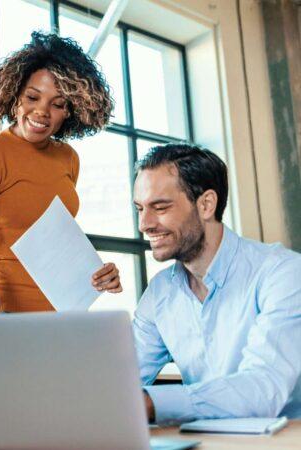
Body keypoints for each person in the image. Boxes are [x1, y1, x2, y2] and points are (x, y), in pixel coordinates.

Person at [96, 143, 301, 424]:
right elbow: (120, 378)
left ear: (206, 204)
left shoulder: (282, 273)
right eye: (140, 209)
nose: (144, 224)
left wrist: (147, 404)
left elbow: (263, 391)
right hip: (207, 441)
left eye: (160, 207)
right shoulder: (160, 293)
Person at [0, 32, 122, 313]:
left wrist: (100, 273)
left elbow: (59, 241)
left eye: (57, 104)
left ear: (70, 111)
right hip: (7, 310)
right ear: (14, 97)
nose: (42, 112)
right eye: (32, 97)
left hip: (64, 312)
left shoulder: (68, 158)